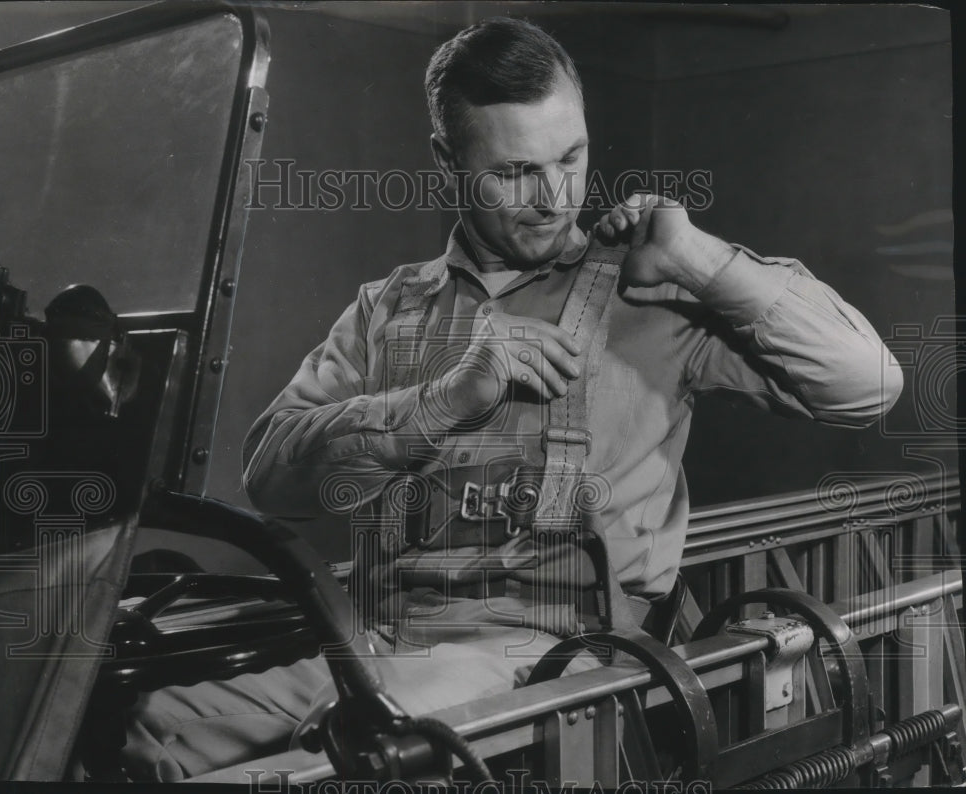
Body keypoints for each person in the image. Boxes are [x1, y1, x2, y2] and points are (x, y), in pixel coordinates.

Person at [122, 16, 902, 782]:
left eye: (571, 157)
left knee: (357, 748)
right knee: (135, 725)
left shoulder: (654, 292)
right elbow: (271, 479)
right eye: (513, 171)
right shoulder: (387, 310)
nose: (553, 197)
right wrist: (443, 400)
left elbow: (865, 385)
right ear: (448, 159)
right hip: (373, 644)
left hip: (558, 663)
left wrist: (696, 257)